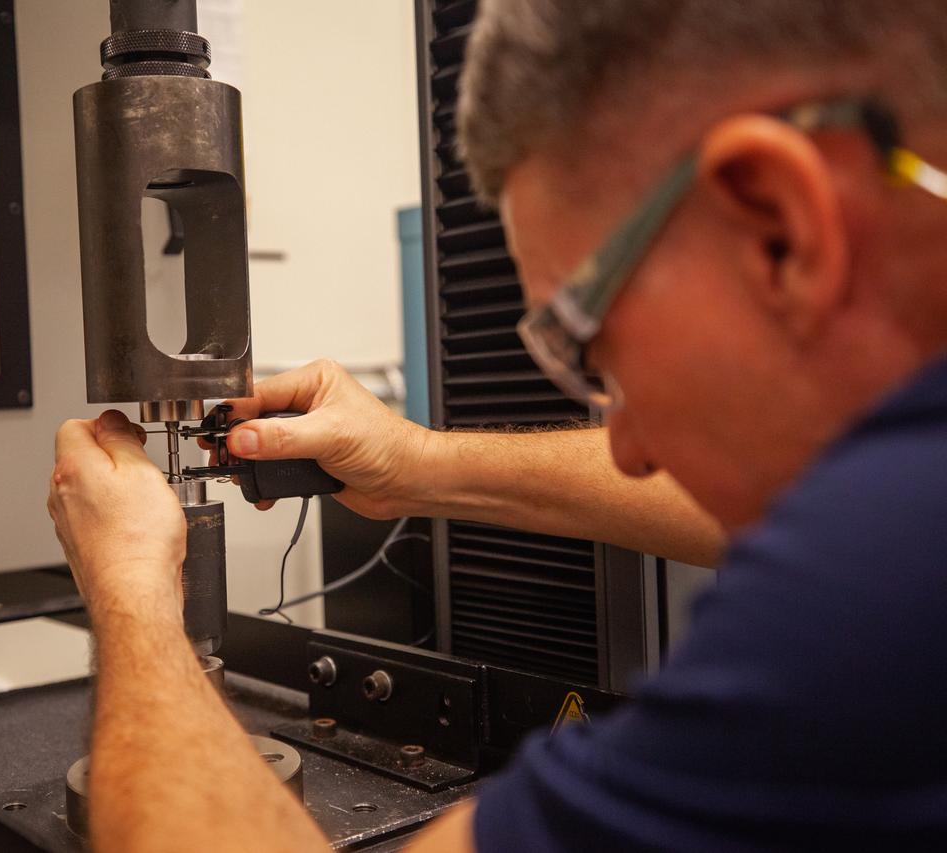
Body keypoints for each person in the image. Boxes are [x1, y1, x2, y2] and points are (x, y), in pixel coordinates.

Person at [47, 0, 947, 848]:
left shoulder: (877, 589)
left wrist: (131, 592)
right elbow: (771, 495)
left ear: (779, 223)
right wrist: (418, 464)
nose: (628, 451)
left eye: (589, 348)